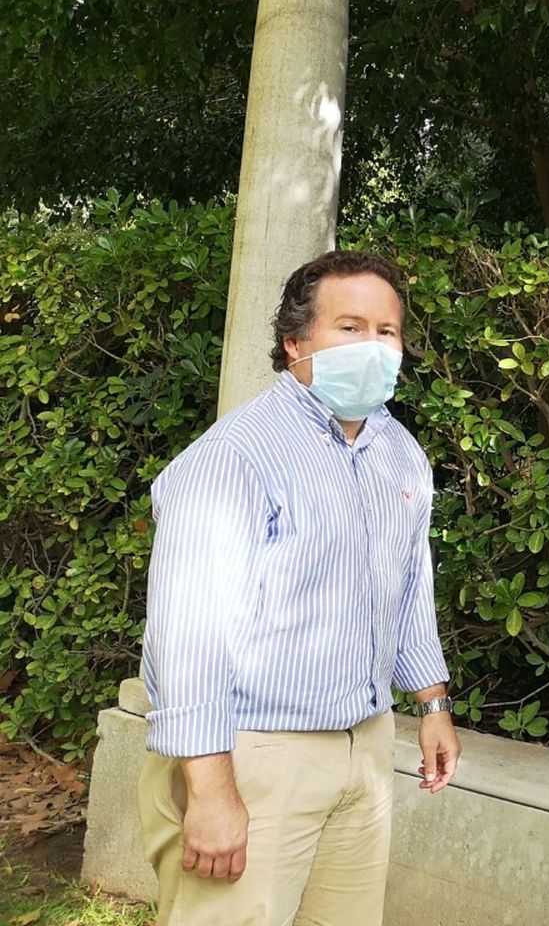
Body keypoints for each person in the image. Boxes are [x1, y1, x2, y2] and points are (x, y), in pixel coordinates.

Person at [138, 250, 461, 925]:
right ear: (295, 342)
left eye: (386, 331)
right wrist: (211, 790)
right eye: (349, 327)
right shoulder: (234, 458)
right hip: (254, 754)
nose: (371, 346)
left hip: (363, 746)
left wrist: (432, 702)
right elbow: (189, 635)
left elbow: (407, 585)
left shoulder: (399, 451)